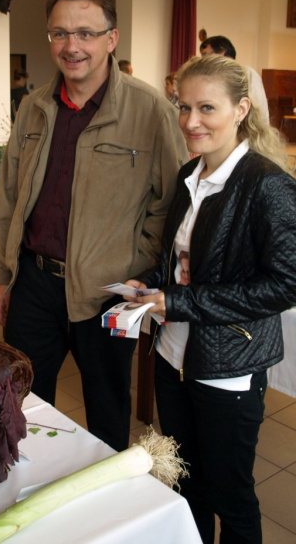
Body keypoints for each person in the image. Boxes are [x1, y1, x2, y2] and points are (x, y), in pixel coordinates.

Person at [0, 0, 188, 452]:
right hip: (34, 285)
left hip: (107, 292)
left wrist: (134, 263)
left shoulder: (150, 111)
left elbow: (171, 203)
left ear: (111, 39)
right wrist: (3, 275)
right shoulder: (34, 107)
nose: (71, 45)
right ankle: (28, 495)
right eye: (59, 33)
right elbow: (10, 196)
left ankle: (104, 511)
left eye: (85, 33)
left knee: (106, 410)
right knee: (19, 406)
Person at [124, 54, 296, 543]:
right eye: (182, 107)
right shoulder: (189, 175)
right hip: (173, 356)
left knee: (231, 494)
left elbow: (285, 285)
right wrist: (149, 284)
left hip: (230, 367)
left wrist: (177, 304)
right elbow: (177, 256)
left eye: (206, 108)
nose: (191, 122)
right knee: (185, 482)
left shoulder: (268, 185)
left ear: (241, 109)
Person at [200, 35, 270, 124]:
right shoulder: (211, 76)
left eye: (205, 54)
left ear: (221, 51)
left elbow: (259, 111)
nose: (203, 60)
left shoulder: (247, 73)